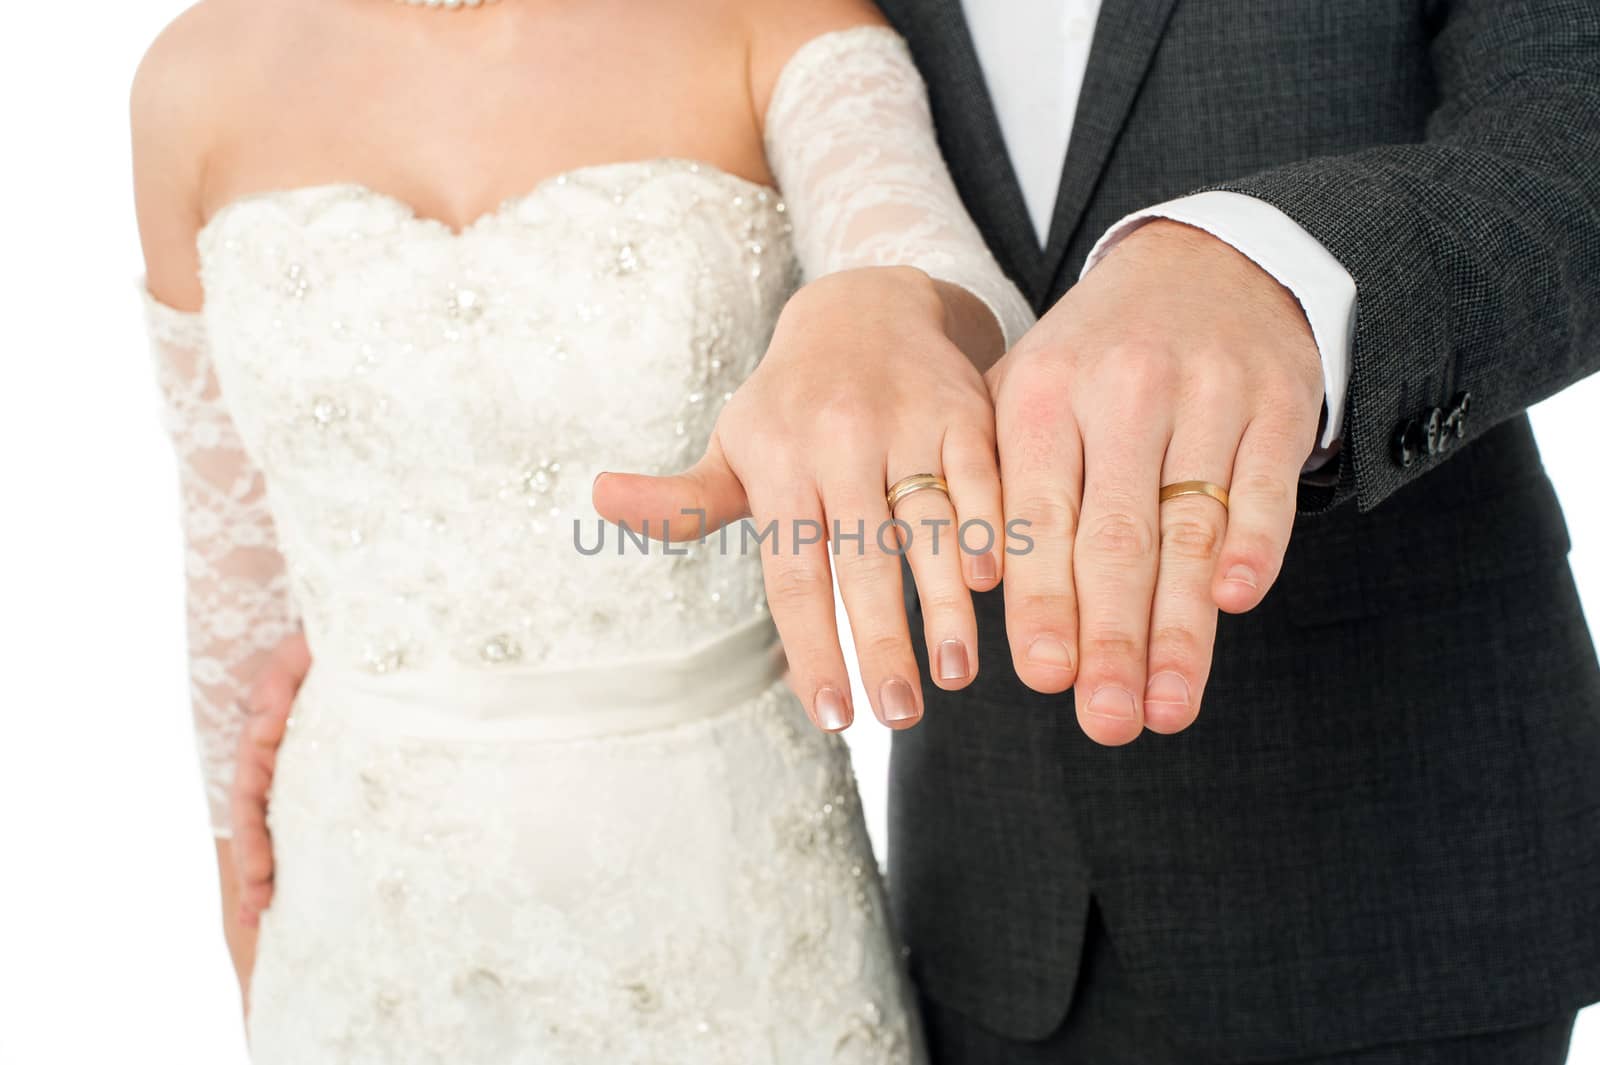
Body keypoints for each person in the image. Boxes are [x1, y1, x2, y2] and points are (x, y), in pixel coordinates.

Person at [228, 0, 1600, 1062]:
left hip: (1401, 857)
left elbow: (1574, 126)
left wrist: (1279, 267)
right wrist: (420, 590)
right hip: (971, 884)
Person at [132, 0, 1037, 1059]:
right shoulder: (191, 77)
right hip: (359, 911)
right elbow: (230, 565)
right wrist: (260, 970)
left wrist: (896, 308)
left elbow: (948, 280)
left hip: (728, 890)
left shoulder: (775, 22)